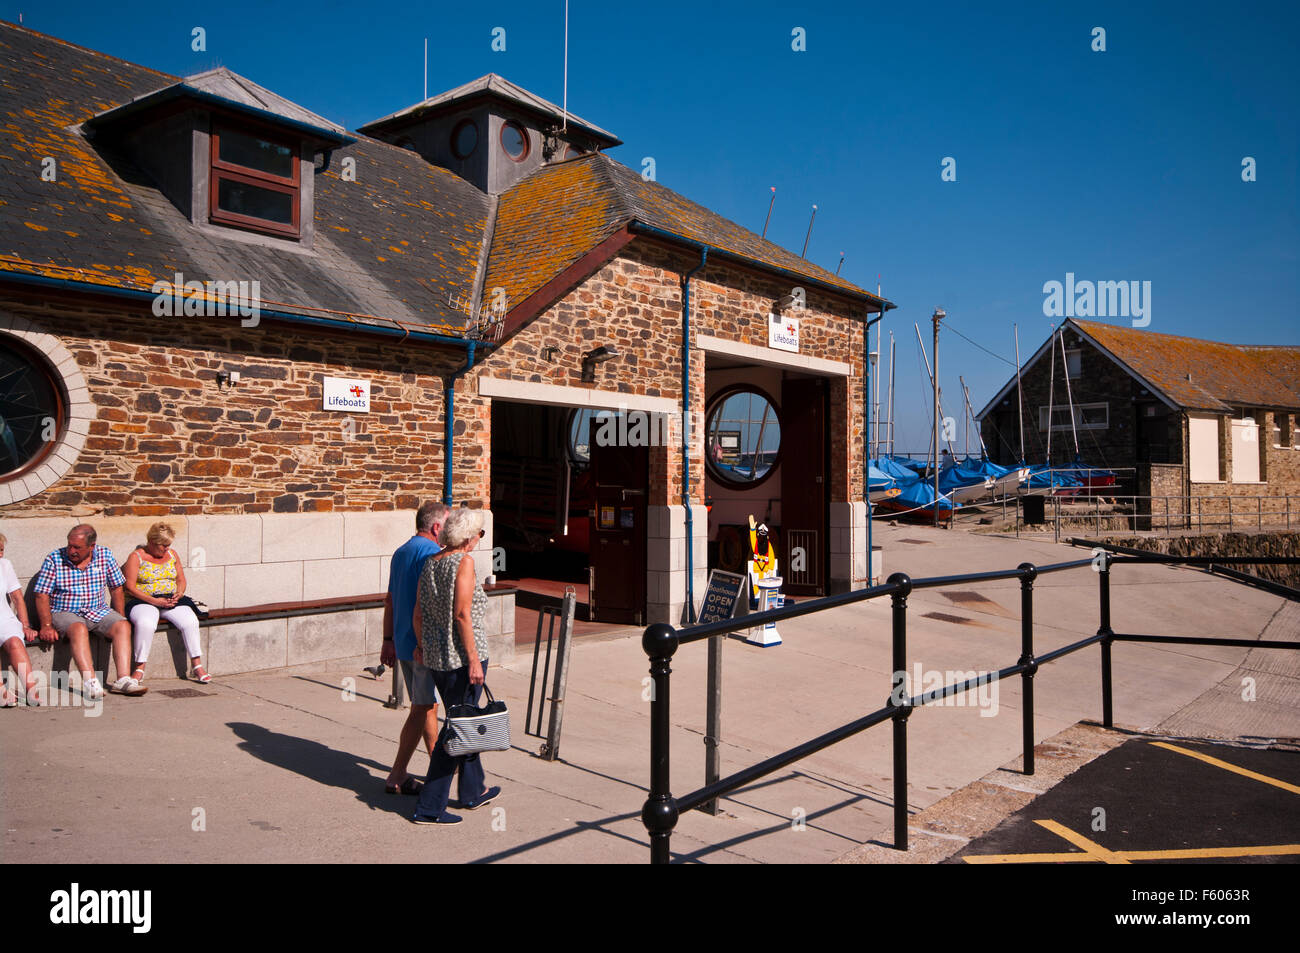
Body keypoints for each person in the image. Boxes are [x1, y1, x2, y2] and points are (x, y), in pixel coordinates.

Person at [412, 506, 500, 824]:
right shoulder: (463, 562)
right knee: (457, 731)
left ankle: (473, 791)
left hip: (437, 657)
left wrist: (422, 647)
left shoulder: (430, 562)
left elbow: (418, 614)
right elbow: (463, 614)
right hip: (461, 659)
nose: (479, 538)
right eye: (479, 533)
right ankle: (430, 807)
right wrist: (474, 660)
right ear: (467, 536)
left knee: (462, 721)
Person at [381, 501, 448, 796]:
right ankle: (397, 774)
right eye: (447, 524)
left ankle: (436, 764)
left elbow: (390, 599)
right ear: (436, 527)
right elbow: (433, 605)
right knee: (421, 708)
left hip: (405, 643)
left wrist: (388, 640)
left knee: (427, 706)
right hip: (424, 645)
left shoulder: (401, 552)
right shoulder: (433, 554)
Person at [32, 524, 145, 699]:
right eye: (69, 545)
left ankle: (123, 679)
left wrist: (119, 615)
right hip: (64, 610)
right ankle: (91, 682)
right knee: (78, 628)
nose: (71, 550)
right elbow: (41, 594)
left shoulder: (105, 555)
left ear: (92, 546)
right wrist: (46, 625)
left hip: (97, 610)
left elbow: (116, 588)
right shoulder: (54, 558)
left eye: (77, 547)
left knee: (122, 625)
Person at [123, 522, 208, 684]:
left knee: (190, 621)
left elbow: (181, 579)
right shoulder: (136, 557)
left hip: (169, 598)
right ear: (152, 542)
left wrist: (179, 593)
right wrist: (154, 601)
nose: (167, 549)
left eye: (169, 545)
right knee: (146, 623)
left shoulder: (172, 555)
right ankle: (139, 667)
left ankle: (197, 665)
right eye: (164, 546)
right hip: (143, 600)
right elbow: (130, 587)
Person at [0, 533, 41, 707]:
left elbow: (17, 597)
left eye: (1, 550)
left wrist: (25, 625)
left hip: (3, 616)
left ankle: (31, 689)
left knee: (15, 642)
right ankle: (1, 690)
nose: (0, 554)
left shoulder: (4, 565)